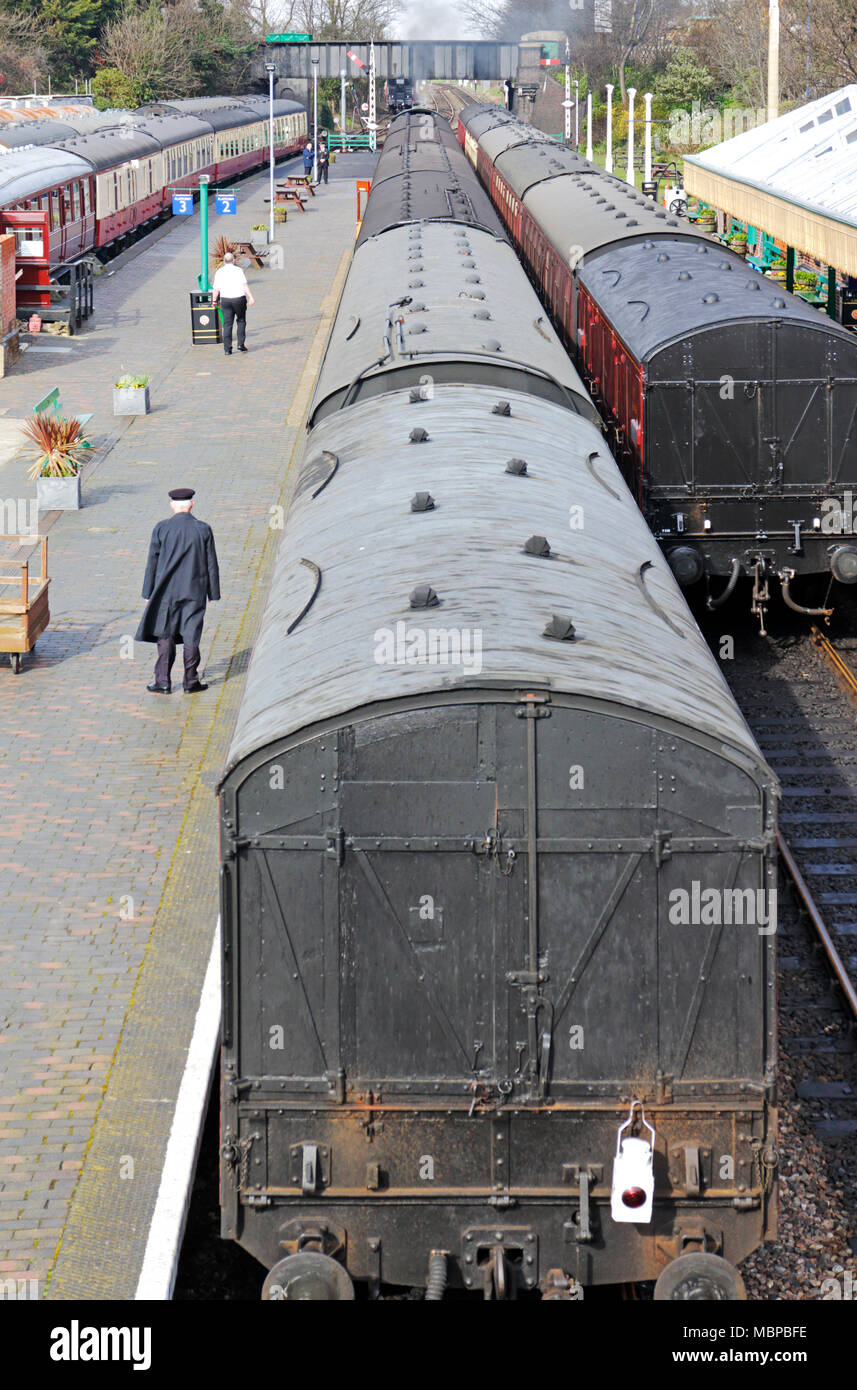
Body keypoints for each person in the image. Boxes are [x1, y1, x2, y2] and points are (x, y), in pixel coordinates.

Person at [135, 488, 220, 695]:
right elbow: (211, 563)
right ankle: (191, 681)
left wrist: (148, 593)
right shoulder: (203, 529)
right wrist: (212, 593)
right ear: (191, 505)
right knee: (191, 635)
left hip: (165, 593)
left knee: (165, 633)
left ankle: (163, 682)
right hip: (194, 591)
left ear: (172, 505)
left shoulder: (162, 528)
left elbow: (152, 563)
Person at [211, 251, 255, 356]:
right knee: (241, 321)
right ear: (233, 260)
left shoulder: (219, 272)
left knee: (227, 324)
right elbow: (244, 286)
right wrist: (251, 297)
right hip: (239, 299)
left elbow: (216, 290)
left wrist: (213, 301)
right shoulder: (239, 270)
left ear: (224, 261)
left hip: (225, 300)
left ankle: (227, 349)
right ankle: (240, 344)